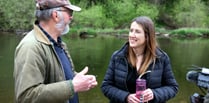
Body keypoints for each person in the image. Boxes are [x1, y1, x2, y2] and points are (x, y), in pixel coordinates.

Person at [13, 0, 97, 103]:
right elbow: (27, 96)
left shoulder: (58, 43)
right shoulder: (30, 47)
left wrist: (76, 78)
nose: (71, 17)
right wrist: (72, 86)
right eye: (69, 12)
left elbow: (57, 74)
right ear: (56, 15)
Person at [101, 16, 178, 103]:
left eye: (137, 32)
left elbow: (173, 87)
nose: (132, 35)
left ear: (147, 36)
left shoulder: (161, 58)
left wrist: (154, 94)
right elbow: (106, 86)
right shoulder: (117, 57)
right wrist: (126, 97)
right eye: (131, 30)